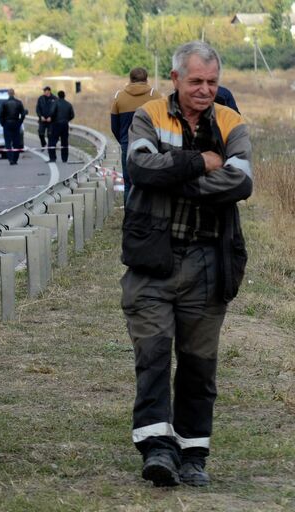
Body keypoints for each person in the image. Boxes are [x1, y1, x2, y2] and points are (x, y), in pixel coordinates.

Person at [122, 41, 252, 488]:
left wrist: (176, 177)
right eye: (196, 81)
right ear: (175, 79)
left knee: (199, 365)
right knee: (153, 356)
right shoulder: (149, 116)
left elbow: (242, 180)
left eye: (213, 82)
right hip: (153, 261)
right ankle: (158, 449)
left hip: (207, 260)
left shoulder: (232, 121)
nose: (205, 90)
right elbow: (140, 167)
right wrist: (200, 163)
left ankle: (193, 453)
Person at [110, 67, 161, 204]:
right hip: (151, 146)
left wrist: (123, 141)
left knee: (128, 184)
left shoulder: (119, 97)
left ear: (130, 79)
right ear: (146, 79)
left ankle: (130, 217)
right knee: (150, 183)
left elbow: (114, 126)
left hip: (127, 144)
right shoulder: (155, 96)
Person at [0, 88, 26, 165]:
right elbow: (23, 114)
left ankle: (10, 159)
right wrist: (20, 122)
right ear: (14, 93)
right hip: (16, 123)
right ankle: (15, 159)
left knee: (8, 143)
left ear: (8, 94)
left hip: (7, 124)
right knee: (16, 142)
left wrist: (3, 124)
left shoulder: (4, 103)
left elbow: (0, 115)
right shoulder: (18, 102)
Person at [47, 90, 74, 163]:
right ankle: (64, 159)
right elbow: (72, 115)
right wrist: (67, 120)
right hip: (65, 125)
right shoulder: (68, 104)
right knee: (64, 142)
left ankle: (53, 158)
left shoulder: (55, 103)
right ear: (64, 96)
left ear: (58, 96)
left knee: (52, 141)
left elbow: (52, 112)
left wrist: (51, 119)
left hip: (56, 124)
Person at [35, 86, 56, 150]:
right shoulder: (41, 98)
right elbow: (37, 109)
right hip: (42, 119)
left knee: (50, 134)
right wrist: (40, 116)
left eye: (45, 91)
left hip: (51, 120)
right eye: (44, 91)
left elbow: (56, 110)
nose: (44, 92)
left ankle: (50, 147)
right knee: (40, 133)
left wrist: (51, 117)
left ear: (49, 91)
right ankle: (43, 143)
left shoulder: (55, 99)